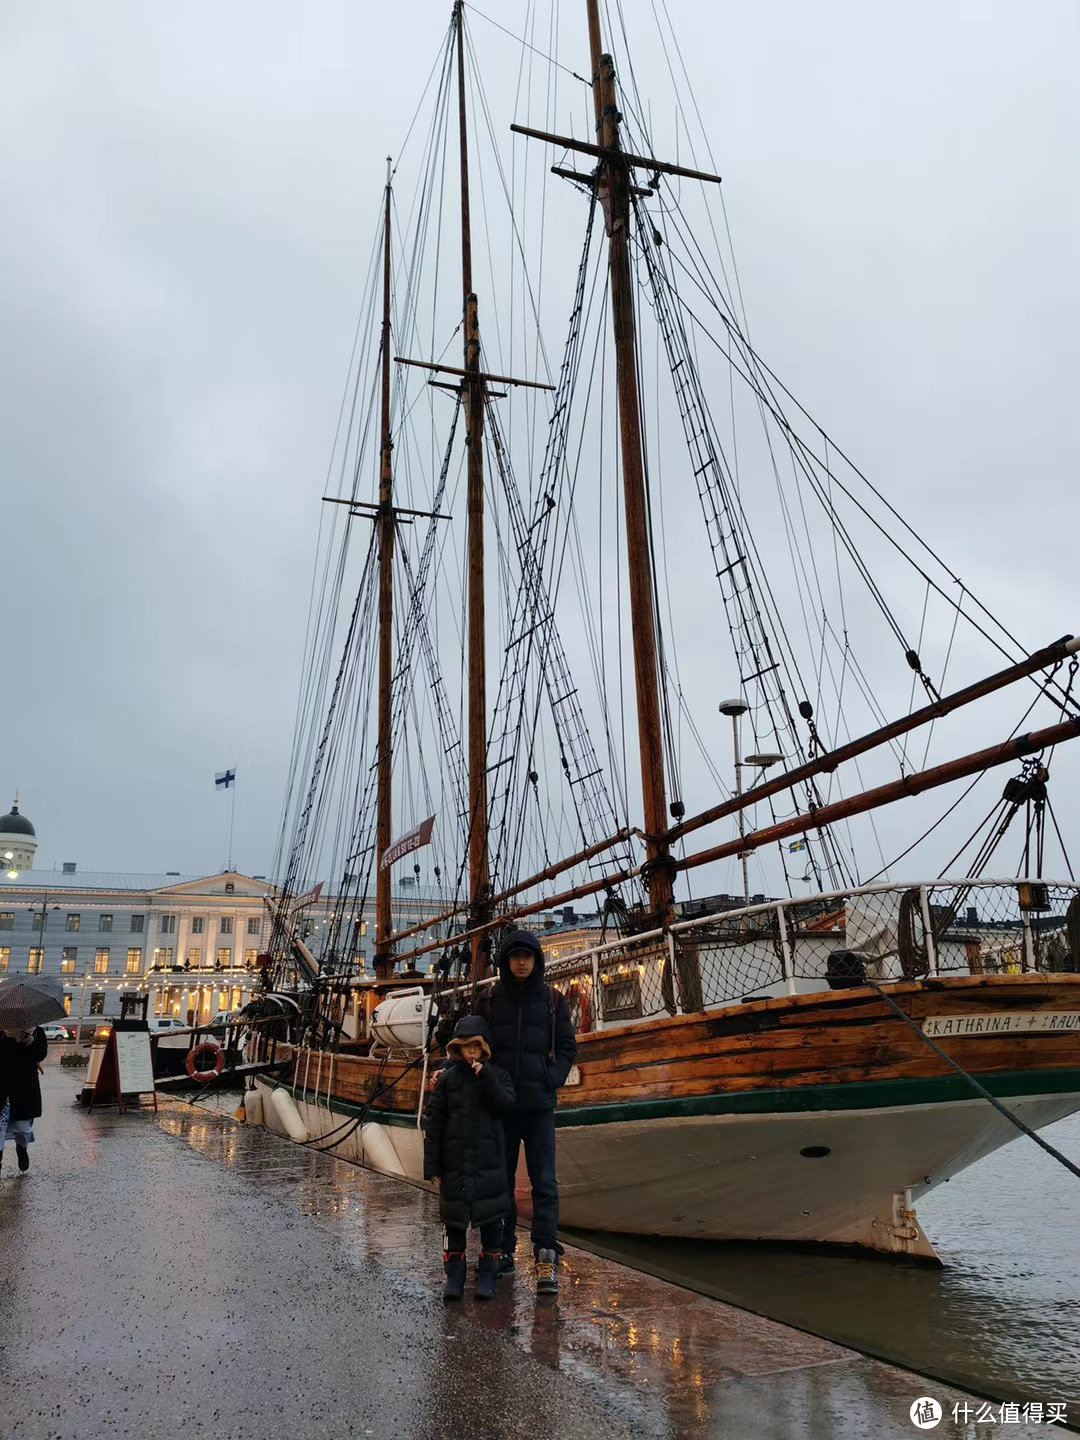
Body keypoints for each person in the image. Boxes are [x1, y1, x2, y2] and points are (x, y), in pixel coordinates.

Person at [479, 928, 577, 1296]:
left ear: (536, 960)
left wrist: (550, 1077)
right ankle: (502, 1250)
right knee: (500, 1180)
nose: (521, 961)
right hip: (502, 1105)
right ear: (506, 961)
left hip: (538, 1105)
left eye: (527, 955)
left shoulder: (553, 1001)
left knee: (545, 1182)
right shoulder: (489, 1000)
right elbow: (473, 1043)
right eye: (515, 956)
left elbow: (567, 1046)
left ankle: (545, 1252)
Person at [423, 1015, 516, 1303]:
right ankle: (455, 1275)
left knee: (491, 1222)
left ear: (485, 1049)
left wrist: (486, 1076)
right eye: (466, 1047)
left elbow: (507, 1106)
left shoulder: (497, 1076)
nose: (472, 1052)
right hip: (456, 1162)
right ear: (457, 1050)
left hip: (489, 1164)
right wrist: (432, 1165)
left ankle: (488, 1274)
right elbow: (434, 1122)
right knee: (454, 1222)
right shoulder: (448, 1081)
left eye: (477, 1047)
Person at [0, 1026, 48, 1175]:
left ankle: (22, 1147)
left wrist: (27, 1040)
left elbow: (40, 1054)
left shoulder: (36, 1031)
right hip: (2, 1087)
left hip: (24, 1089)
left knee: (22, 1129)